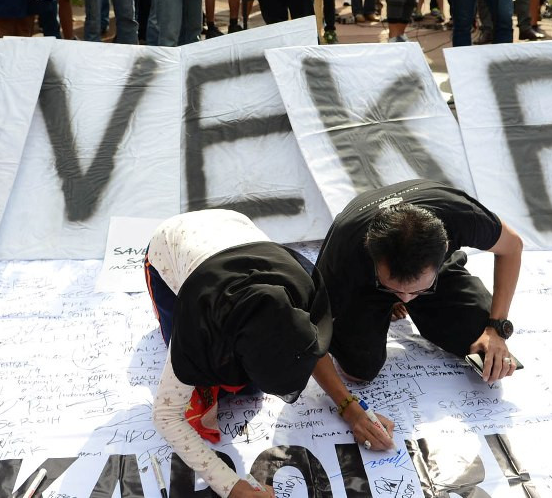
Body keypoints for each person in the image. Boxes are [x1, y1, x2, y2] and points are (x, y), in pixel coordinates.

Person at [312, 180, 523, 451]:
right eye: (394, 290)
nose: (406, 297)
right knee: (359, 371)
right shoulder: (345, 254)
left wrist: (496, 328)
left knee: (479, 337)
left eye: (418, 291)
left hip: (420, 269)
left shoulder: (459, 215)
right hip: (365, 287)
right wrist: (349, 408)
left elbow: (513, 246)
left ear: (446, 247)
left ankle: (410, 286)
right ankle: (393, 293)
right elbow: (309, 337)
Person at [146, 209, 330, 498]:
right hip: (170, 245)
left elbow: (311, 349)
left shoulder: (304, 290)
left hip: (233, 225)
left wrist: (350, 407)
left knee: (251, 387)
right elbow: (166, 415)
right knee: (200, 392)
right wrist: (233, 488)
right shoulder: (199, 323)